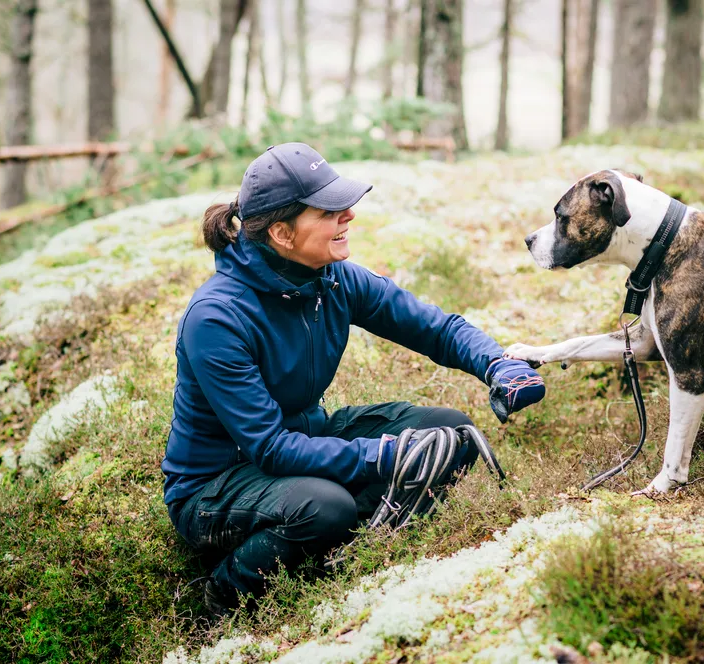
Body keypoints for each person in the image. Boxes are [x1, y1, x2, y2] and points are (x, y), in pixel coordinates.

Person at [161, 142, 546, 614]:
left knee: (450, 428)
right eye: (329, 209)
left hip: (304, 438)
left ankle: (348, 554)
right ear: (282, 233)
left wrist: (497, 364)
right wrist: (383, 455)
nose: (348, 216)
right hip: (215, 485)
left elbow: (436, 328)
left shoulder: (334, 278)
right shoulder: (216, 318)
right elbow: (270, 448)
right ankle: (219, 595)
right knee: (326, 507)